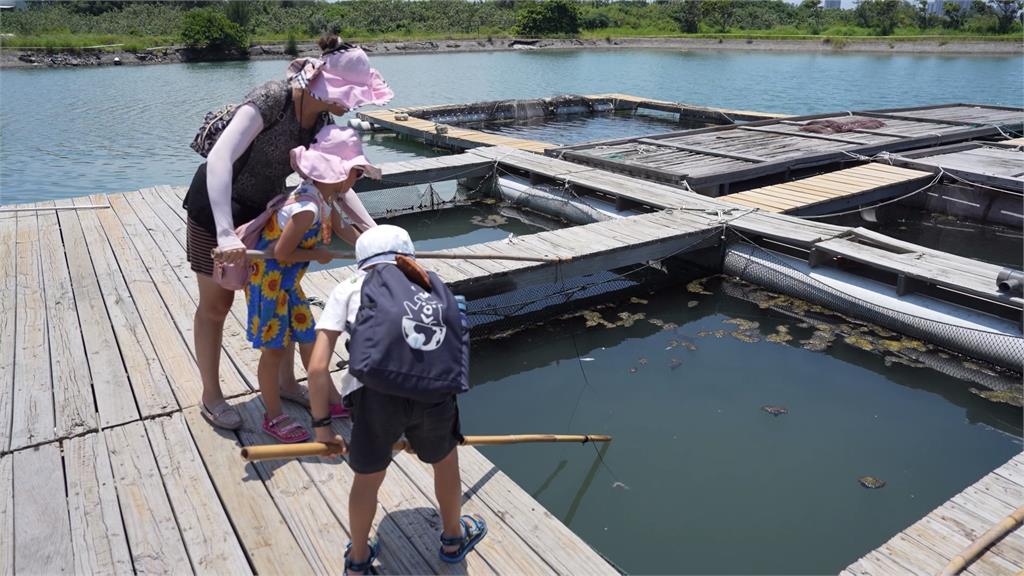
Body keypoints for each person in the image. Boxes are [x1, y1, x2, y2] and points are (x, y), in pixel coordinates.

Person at [183, 34, 393, 430]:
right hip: (218, 208)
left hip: (265, 213)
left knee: (278, 297)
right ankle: (211, 396)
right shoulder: (273, 99)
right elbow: (220, 158)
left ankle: (286, 385)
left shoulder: (324, 121)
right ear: (327, 84)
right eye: (349, 95)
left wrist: (375, 236)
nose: (351, 104)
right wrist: (226, 232)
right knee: (216, 307)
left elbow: (335, 187)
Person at [307, 225, 487, 574]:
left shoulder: (348, 289)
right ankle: (452, 539)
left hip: (373, 397)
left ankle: (358, 559)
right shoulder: (428, 285)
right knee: (445, 463)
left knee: (367, 478)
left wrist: (322, 429)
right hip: (434, 392)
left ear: (361, 261)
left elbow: (317, 368)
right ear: (408, 256)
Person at [244, 125, 379, 442]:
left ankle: (330, 400)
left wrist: (375, 251)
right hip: (269, 284)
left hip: (289, 284)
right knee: (274, 349)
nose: (356, 179)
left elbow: (345, 229)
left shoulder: (326, 198)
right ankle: (273, 415)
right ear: (338, 173)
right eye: (356, 173)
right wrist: (317, 253)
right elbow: (280, 252)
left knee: (308, 338)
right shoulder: (307, 207)